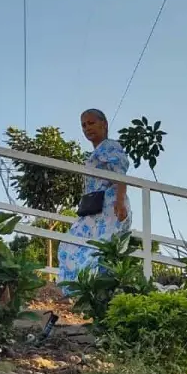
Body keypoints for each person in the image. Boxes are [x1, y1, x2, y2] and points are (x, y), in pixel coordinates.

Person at [57, 108, 131, 293]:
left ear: (104, 124)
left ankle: (99, 292)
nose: (86, 128)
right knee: (71, 245)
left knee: (101, 249)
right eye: (83, 125)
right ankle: (80, 290)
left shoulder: (110, 146)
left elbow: (120, 173)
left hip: (110, 205)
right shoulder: (97, 151)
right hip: (95, 209)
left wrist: (120, 202)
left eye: (91, 123)